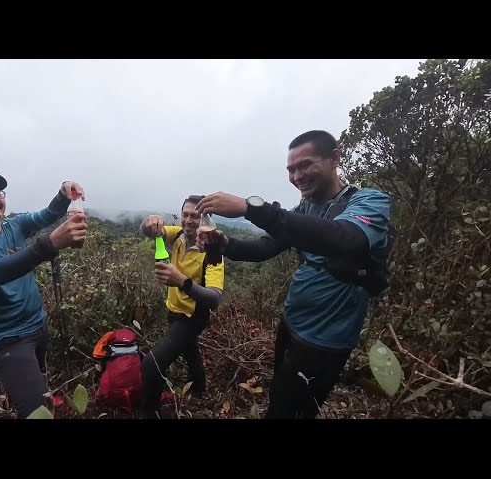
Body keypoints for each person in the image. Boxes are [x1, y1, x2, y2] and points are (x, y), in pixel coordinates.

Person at [194, 130, 392, 419]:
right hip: (292, 322)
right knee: (280, 395)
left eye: (306, 165)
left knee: (293, 410)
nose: (297, 176)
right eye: (291, 169)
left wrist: (252, 209)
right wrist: (227, 245)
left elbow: (346, 238)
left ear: (335, 158)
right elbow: (265, 248)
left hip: (325, 339)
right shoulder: (306, 208)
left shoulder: (369, 202)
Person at [0, 171, 87, 419]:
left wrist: (64, 192)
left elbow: (49, 214)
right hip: (8, 340)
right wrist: (48, 245)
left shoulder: (15, 226)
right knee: (39, 413)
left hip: (38, 326)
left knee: (40, 394)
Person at [137, 195, 225, 418]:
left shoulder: (213, 252)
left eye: (195, 216)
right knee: (190, 350)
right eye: (185, 214)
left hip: (193, 317)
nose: (188, 220)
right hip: (173, 309)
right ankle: (199, 390)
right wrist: (149, 222)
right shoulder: (178, 235)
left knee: (150, 365)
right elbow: (148, 232)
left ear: (205, 220)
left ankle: (150, 411)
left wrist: (182, 282)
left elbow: (215, 298)